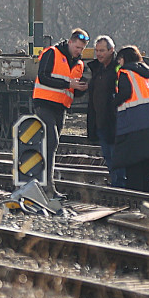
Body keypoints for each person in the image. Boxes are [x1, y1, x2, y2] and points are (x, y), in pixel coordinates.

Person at [32, 28, 89, 187]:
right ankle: (46, 183)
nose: (79, 51)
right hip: (44, 103)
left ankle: (47, 182)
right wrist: (68, 84)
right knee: (51, 140)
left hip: (61, 107)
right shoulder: (52, 53)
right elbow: (43, 77)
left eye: (82, 49)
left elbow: (72, 90)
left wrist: (79, 89)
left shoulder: (79, 64)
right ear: (70, 42)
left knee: (53, 144)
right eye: (77, 47)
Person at [112, 45, 149, 193]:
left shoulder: (125, 73)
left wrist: (111, 104)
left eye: (119, 60)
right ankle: (146, 198)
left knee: (134, 166)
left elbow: (124, 93)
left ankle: (136, 202)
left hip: (133, 125)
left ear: (123, 59)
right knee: (148, 168)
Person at [85, 35, 123, 186]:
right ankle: (116, 183)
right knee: (108, 157)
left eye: (102, 50)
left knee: (118, 157)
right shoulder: (98, 70)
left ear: (111, 50)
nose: (99, 54)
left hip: (115, 122)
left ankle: (121, 185)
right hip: (100, 121)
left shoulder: (117, 69)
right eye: (97, 51)